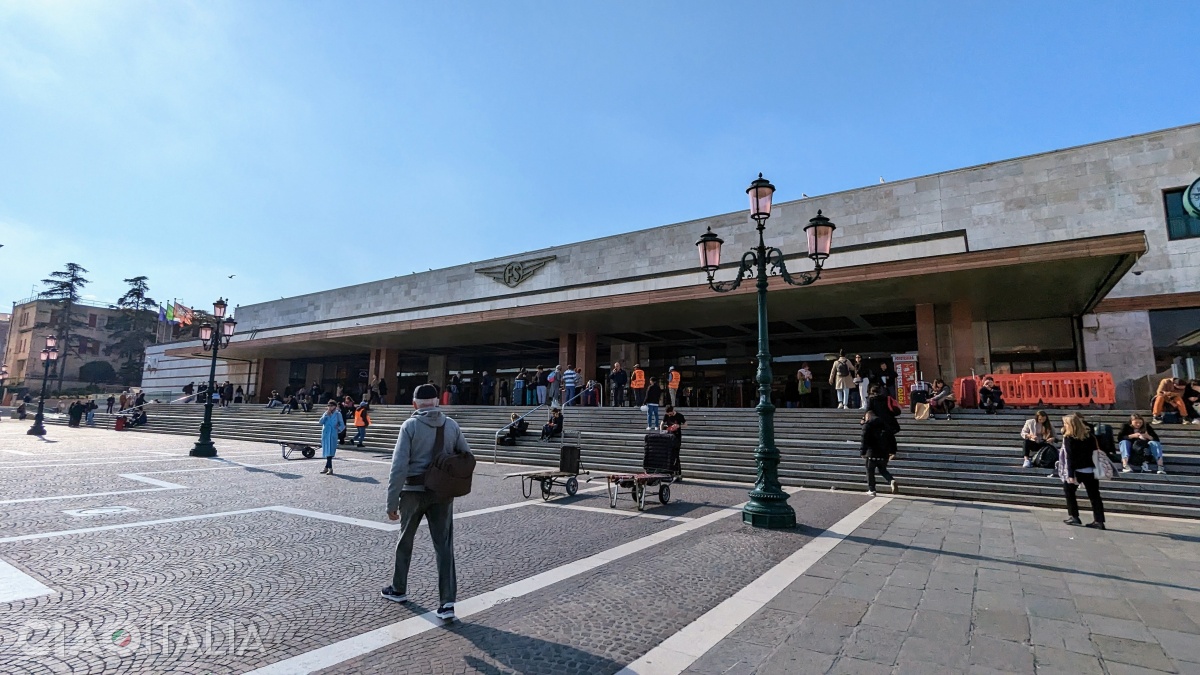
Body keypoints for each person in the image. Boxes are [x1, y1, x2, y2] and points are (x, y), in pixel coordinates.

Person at [382, 383, 466, 621]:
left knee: (405, 541)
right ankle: (447, 602)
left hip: (413, 491)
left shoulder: (410, 426)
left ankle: (398, 589)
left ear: (414, 404)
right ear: (438, 402)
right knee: (444, 546)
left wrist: (391, 502)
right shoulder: (451, 425)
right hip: (441, 493)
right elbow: (466, 456)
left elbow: (399, 466)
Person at [1060, 413, 1105, 529]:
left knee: (1069, 491)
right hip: (1091, 470)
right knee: (1095, 496)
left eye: (1065, 423)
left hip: (1077, 470)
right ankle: (1099, 521)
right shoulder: (1090, 436)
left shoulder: (1069, 437)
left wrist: (1070, 474)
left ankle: (1074, 516)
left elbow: (1069, 457)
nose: (1064, 425)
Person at [860, 409, 898, 496]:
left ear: (868, 416)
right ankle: (891, 480)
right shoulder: (885, 424)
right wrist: (893, 451)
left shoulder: (868, 425)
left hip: (872, 452)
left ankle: (872, 489)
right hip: (884, 453)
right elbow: (892, 439)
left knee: (870, 471)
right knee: (882, 469)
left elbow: (864, 439)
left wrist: (862, 452)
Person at [318, 401, 345, 475]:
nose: (329, 407)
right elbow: (320, 422)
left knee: (330, 452)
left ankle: (330, 468)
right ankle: (327, 467)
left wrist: (338, 428)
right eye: (328, 405)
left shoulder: (338, 414)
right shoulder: (326, 413)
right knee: (327, 451)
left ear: (335, 406)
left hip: (333, 434)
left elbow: (342, 425)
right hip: (326, 434)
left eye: (331, 406)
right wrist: (326, 415)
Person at [660, 405, 686, 479]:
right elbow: (662, 423)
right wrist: (661, 431)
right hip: (669, 437)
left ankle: (678, 473)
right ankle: (669, 472)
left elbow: (686, 424)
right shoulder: (666, 415)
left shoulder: (679, 416)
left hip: (677, 437)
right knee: (669, 454)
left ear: (673, 411)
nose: (669, 415)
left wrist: (678, 426)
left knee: (676, 455)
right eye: (668, 414)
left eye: (670, 414)